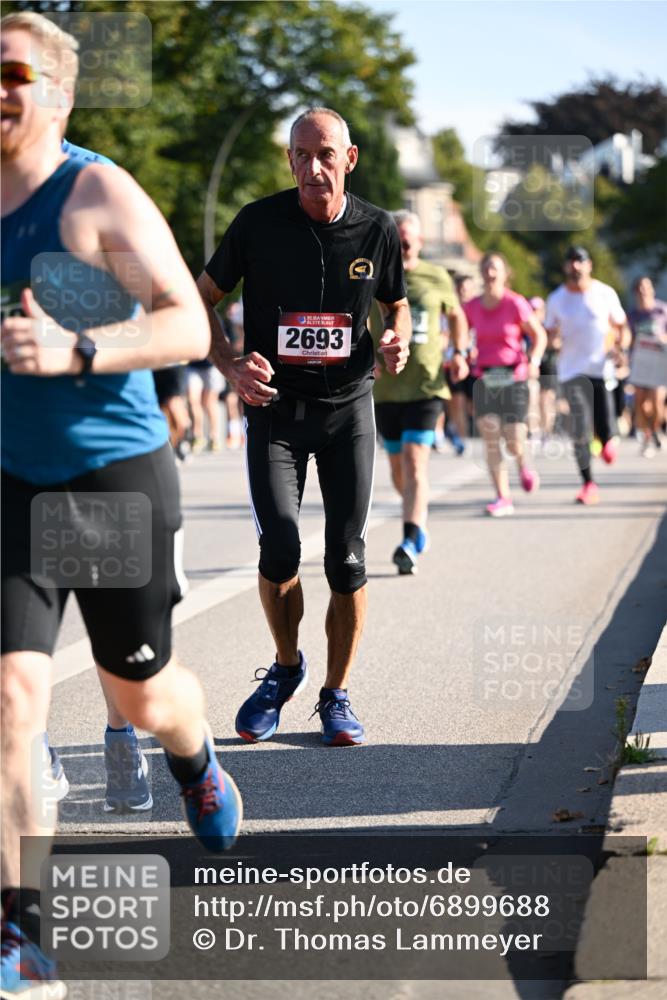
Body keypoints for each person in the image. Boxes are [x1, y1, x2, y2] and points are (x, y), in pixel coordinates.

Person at [1, 14, 242, 996]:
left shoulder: (90, 193)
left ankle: (195, 759)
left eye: (12, 73)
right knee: (12, 697)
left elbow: (186, 319)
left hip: (106, 475)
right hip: (11, 479)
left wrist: (79, 349)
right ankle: (25, 935)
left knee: (139, 693)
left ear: (56, 90)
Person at [197, 106, 409, 746]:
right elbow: (199, 297)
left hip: (348, 410)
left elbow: (395, 302)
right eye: (300, 155)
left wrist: (397, 338)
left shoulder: (378, 228)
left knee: (346, 557)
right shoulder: (258, 223)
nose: (312, 168)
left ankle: (336, 694)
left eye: (325, 155)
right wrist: (230, 365)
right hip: (275, 414)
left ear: (349, 159)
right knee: (280, 545)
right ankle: (287, 669)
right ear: (289, 161)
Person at [373, 210, 468, 574]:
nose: (405, 243)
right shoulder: (374, 274)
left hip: (428, 383)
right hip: (386, 387)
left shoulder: (436, 276)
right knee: (399, 471)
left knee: (415, 461)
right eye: (398, 237)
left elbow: (456, 316)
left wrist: (459, 353)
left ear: (420, 242)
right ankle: (417, 511)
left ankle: (410, 539)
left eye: (410, 237)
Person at [545, 246, 630, 504]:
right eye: (571, 262)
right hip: (571, 371)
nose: (576, 267)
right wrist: (554, 342)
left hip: (600, 369)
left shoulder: (604, 293)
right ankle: (588, 484)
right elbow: (549, 333)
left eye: (580, 261)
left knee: (604, 425)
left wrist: (621, 348)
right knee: (579, 428)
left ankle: (607, 441)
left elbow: (621, 327)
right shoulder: (557, 298)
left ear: (589, 265)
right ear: (565, 267)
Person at [463, 253, 546, 517]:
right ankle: (502, 497)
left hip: (514, 375)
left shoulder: (515, 303)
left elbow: (539, 335)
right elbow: (460, 333)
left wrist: (534, 359)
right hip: (485, 376)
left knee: (514, 440)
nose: (489, 272)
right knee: (490, 435)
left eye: (495, 268)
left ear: (504, 273)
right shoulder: (472, 306)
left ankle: (523, 462)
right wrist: (462, 352)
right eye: (486, 267)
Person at [628, 275, 667, 458]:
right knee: (642, 405)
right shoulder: (633, 315)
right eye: (640, 288)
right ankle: (646, 436)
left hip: (659, 362)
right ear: (636, 292)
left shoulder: (662, 310)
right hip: (640, 363)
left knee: (657, 402)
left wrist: (662, 340)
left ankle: (656, 430)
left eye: (647, 287)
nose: (644, 291)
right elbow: (628, 339)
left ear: (652, 289)